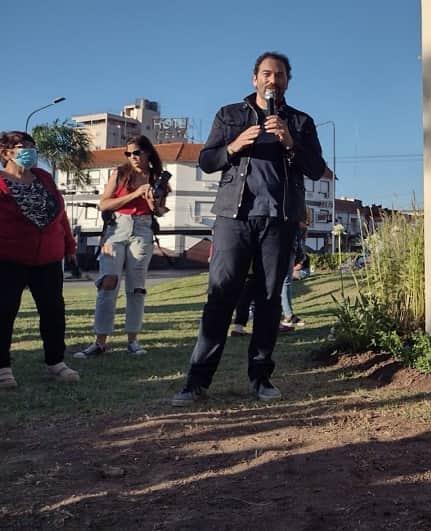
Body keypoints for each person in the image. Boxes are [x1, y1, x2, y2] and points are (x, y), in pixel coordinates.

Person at [172, 51, 325, 406]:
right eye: (267, 74)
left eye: (281, 75)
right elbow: (207, 161)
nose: (274, 81)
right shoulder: (229, 115)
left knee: (270, 299)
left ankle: (261, 378)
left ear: (288, 81)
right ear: (254, 79)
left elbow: (316, 169)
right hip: (234, 217)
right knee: (221, 295)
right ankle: (196, 382)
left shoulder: (300, 122)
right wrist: (234, 145)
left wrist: (290, 142)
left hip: (280, 219)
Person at [75, 135, 168, 358]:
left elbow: (160, 210)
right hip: (117, 226)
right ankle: (100, 340)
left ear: (147, 153)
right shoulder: (120, 173)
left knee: (137, 286)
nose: (133, 157)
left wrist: (154, 203)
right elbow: (104, 204)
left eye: (137, 152)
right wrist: (135, 193)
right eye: (129, 153)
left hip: (143, 228)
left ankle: (133, 340)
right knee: (109, 281)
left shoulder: (157, 177)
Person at [0, 131, 80, 387]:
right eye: (23, 147)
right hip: (8, 258)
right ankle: (2, 368)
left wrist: (69, 244)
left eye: (32, 147)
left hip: (48, 257)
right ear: (5, 153)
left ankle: (56, 363)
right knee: (3, 312)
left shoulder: (44, 178)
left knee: (53, 311)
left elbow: (61, 215)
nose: (30, 152)